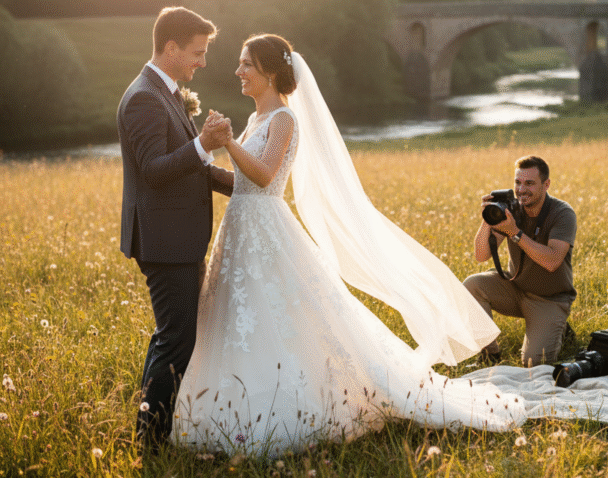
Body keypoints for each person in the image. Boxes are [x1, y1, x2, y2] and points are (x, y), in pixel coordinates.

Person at [171, 34, 527, 457]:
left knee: (280, 319)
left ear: (268, 71)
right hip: (241, 231)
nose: (238, 71)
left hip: (267, 231)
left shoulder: (284, 119)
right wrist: (207, 164)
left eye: (246, 63)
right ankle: (226, 411)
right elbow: (243, 184)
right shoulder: (254, 120)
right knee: (238, 319)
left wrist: (226, 142)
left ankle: (296, 410)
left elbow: (265, 177)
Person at [117, 6, 234, 449]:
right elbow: (154, 170)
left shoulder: (164, 91)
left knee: (174, 334)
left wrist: (243, 187)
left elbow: (191, 167)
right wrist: (204, 142)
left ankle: (152, 421)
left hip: (178, 240)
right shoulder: (145, 96)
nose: (201, 62)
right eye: (196, 53)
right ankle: (150, 440)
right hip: (165, 242)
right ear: (170, 48)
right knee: (176, 341)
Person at [463, 155, 577, 366]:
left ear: (546, 184)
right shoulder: (511, 210)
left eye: (529, 183)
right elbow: (481, 256)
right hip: (515, 289)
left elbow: (552, 261)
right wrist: (488, 219)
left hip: (548, 299)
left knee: (533, 363)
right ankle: (490, 354)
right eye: (518, 182)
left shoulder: (562, 214)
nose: (521, 189)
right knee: (471, 286)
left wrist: (514, 233)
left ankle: (559, 327)